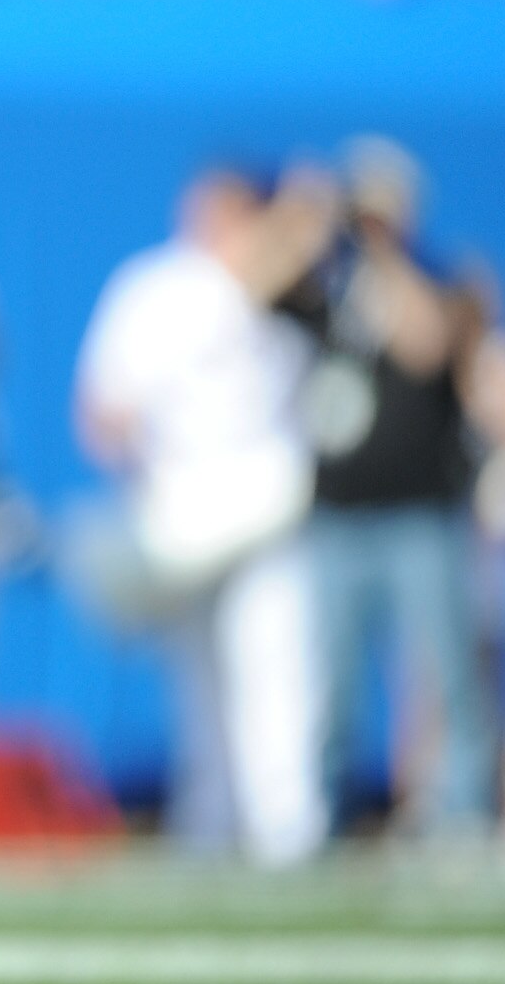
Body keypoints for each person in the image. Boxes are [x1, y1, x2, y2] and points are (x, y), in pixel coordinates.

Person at [75, 168, 335, 865]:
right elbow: (104, 404)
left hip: (267, 502)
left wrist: (300, 218)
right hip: (180, 513)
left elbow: (279, 262)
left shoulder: (289, 282)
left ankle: (289, 828)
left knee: (277, 667)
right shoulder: (153, 285)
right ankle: (211, 822)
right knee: (199, 681)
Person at [288, 138, 494, 838]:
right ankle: (332, 813)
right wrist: (302, 215)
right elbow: (243, 288)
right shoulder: (326, 281)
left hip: (420, 513)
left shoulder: (444, 275)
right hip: (339, 514)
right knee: (333, 682)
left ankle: (465, 810)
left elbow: (428, 343)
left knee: (446, 671)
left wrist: (382, 252)